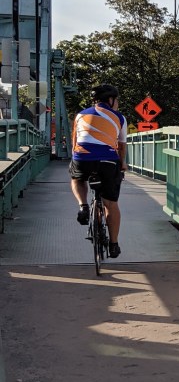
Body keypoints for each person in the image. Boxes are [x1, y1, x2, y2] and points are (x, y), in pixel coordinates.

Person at [69, 84, 128, 258]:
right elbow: (121, 148)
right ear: (111, 100)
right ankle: (114, 244)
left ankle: (83, 206)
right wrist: (122, 164)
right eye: (116, 100)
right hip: (108, 161)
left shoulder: (80, 115)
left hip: (83, 159)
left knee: (77, 178)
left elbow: (75, 145)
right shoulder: (119, 118)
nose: (117, 103)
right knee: (111, 203)